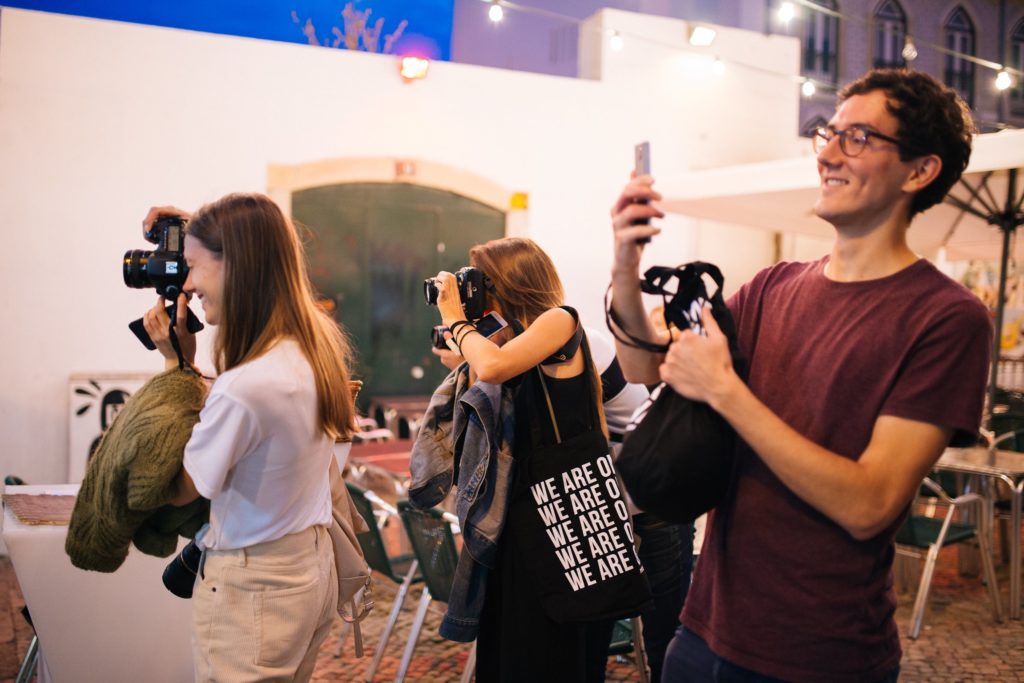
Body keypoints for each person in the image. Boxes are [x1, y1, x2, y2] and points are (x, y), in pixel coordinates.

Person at [608, 68, 991, 682]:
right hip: (703, 629)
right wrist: (626, 265)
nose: (830, 154)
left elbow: (870, 503)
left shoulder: (947, 318)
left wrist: (727, 393)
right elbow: (643, 365)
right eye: (829, 134)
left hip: (819, 653)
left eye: (860, 138)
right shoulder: (774, 285)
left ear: (920, 171)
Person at [142, 193, 356, 682]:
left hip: (254, 583)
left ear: (235, 265)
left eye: (195, 266)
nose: (189, 284)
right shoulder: (310, 347)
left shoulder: (248, 383)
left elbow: (182, 487)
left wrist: (176, 368)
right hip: (305, 568)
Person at [432, 301, 690, 683]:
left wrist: (459, 326)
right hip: (604, 508)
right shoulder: (526, 349)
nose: (482, 317)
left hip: (652, 502)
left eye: (488, 304)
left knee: (664, 639)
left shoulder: (570, 332)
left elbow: (502, 376)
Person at [425, 237, 629, 682]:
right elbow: (486, 394)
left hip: (564, 512)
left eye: (477, 281)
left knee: (550, 650)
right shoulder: (503, 341)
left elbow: (495, 368)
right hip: (519, 515)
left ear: (509, 281)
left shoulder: (561, 320)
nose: (472, 290)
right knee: (510, 646)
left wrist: (455, 320)